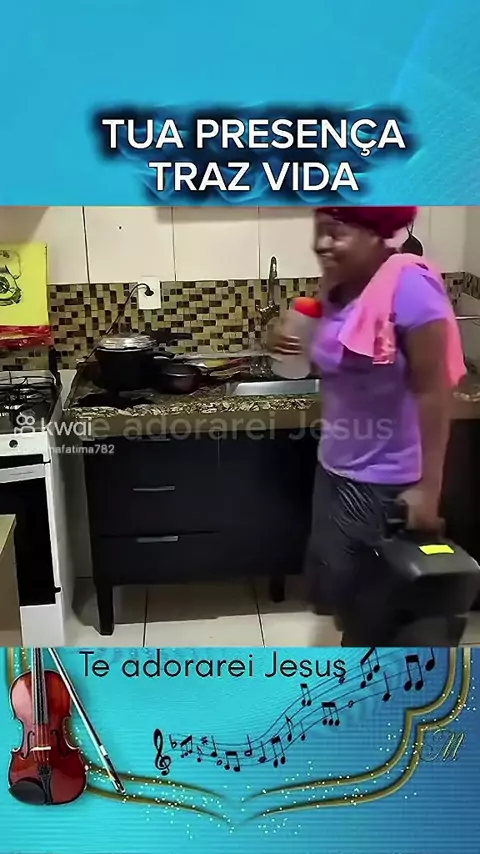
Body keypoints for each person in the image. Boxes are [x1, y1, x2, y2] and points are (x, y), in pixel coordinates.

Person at [271, 206, 465, 644]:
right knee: (344, 599)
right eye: (319, 231)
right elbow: (326, 358)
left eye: (335, 232)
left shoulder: (410, 288)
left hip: (388, 484)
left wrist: (428, 490)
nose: (322, 244)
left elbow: (434, 392)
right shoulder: (339, 286)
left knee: (381, 616)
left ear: (375, 233)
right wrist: (283, 339)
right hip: (335, 472)